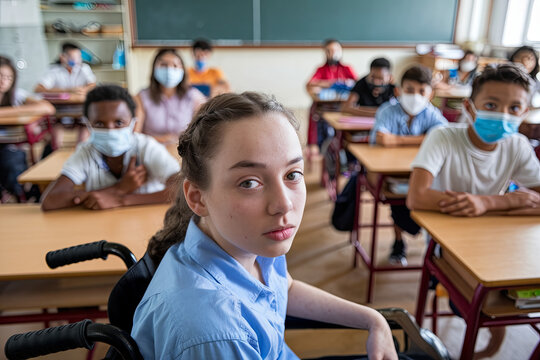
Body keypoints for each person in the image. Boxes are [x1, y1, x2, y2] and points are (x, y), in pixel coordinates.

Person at [131, 92, 397, 360]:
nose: (283, 205)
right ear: (197, 197)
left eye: (293, 174)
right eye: (249, 183)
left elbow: (284, 288)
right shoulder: (215, 333)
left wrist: (372, 319)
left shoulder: (242, 244)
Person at [407, 63, 540, 358]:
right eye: (491, 105)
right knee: (485, 297)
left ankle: (491, 342)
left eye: (514, 107)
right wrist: (512, 201)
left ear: (525, 113)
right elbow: (417, 198)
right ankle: (485, 340)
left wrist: (491, 202)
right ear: (470, 106)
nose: (503, 114)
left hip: (499, 237)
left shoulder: (517, 145)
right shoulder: (444, 137)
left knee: (513, 287)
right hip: (448, 242)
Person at [41, 85, 180, 211]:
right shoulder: (87, 152)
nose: (110, 130)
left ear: (133, 124)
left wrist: (121, 199)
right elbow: (50, 201)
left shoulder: (146, 147)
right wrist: (119, 189)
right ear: (88, 125)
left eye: (119, 122)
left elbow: (182, 190)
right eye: (99, 124)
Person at [369, 64, 448, 266]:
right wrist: (425, 138)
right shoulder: (387, 111)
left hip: (421, 172)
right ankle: (398, 241)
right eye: (410, 90)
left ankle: (435, 248)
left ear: (430, 94)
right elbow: (381, 139)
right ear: (398, 91)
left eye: (422, 91)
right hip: (393, 173)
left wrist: (397, 140)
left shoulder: (431, 112)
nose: (416, 96)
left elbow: (443, 138)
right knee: (400, 198)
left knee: (440, 193)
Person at [0, 55, 55, 201]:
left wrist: (7, 111)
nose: (3, 81)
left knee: (12, 160)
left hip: (10, 147)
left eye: (8, 78)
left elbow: (47, 107)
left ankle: (21, 194)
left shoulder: (16, 96)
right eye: (0, 76)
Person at [134, 48, 206, 145]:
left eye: (175, 65)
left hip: (184, 152)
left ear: (183, 70)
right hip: (151, 152)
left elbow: (203, 132)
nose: (169, 69)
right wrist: (161, 140)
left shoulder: (194, 96)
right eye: (163, 65)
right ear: (154, 68)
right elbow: (135, 135)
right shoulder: (141, 97)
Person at [35, 42, 96, 148]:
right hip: (59, 112)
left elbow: (92, 84)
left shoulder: (84, 68)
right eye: (73, 57)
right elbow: (39, 88)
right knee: (56, 140)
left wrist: (85, 89)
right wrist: (68, 90)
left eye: (78, 57)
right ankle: (55, 153)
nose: (76, 60)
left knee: (85, 133)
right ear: (62, 57)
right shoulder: (53, 70)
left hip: (80, 111)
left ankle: (80, 151)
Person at [305, 39, 357, 152]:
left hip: (343, 106)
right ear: (325, 52)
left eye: (336, 50)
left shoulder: (347, 68)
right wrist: (333, 83)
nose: (333, 53)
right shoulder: (321, 69)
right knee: (314, 111)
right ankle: (318, 145)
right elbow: (310, 84)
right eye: (330, 50)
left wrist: (325, 84)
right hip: (324, 107)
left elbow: (356, 85)